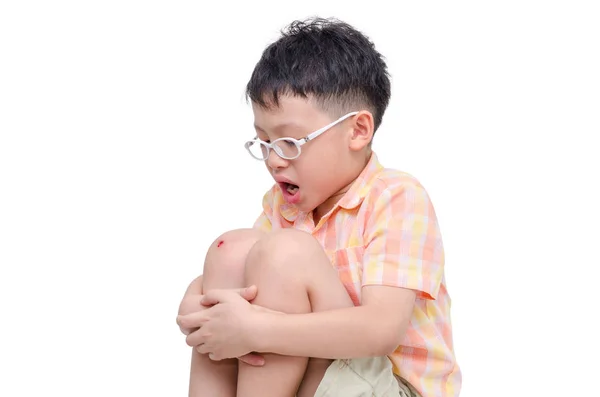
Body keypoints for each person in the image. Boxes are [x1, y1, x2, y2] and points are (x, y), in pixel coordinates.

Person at [176, 17, 461, 397]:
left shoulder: (396, 196)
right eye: (264, 143)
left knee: (285, 251)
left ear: (358, 130)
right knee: (231, 251)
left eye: (290, 143)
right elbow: (242, 278)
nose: (275, 161)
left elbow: (380, 330)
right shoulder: (283, 206)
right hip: (318, 379)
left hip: (389, 387)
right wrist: (201, 301)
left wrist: (256, 328)